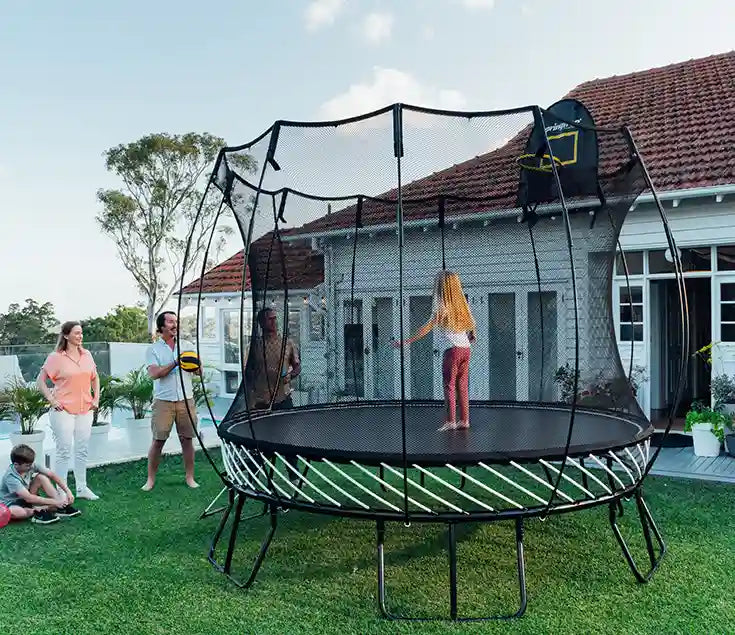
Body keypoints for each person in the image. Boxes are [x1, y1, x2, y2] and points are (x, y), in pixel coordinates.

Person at [393, 271, 476, 431]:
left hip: (452, 350)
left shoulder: (442, 306)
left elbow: (426, 328)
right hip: (466, 349)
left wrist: (406, 341)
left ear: (441, 286)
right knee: (462, 386)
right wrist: (471, 335)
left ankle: (451, 421)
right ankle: (464, 421)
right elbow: (472, 323)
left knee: (449, 386)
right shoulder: (461, 303)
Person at [36, 321, 101, 500]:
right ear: (66, 336)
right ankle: (61, 492)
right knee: (64, 450)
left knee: (82, 449)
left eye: (81, 333)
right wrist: (52, 400)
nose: (80, 336)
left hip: (85, 409)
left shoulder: (87, 355)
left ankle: (81, 488)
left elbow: (95, 378)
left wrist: (96, 399)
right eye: (76, 333)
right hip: (63, 409)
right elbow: (40, 381)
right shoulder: (55, 357)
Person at [142, 311, 201, 491]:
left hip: (186, 399)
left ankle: (190, 477)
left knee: (187, 439)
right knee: (158, 440)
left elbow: (199, 371)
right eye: (170, 322)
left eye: (176, 321)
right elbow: (154, 374)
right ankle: (150, 479)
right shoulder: (153, 349)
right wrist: (176, 363)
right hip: (163, 401)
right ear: (161, 327)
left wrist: (196, 365)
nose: (175, 325)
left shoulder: (188, 345)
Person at [245, 307, 301, 480]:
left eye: (275, 319)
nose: (274, 322)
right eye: (270, 319)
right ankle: (252, 473)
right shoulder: (255, 346)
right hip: (261, 399)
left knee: (288, 437)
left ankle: (294, 475)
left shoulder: (287, 343)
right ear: (261, 323)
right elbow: (248, 372)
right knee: (263, 440)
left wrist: (291, 374)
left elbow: (297, 366)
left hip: (283, 397)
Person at [0, 444, 81, 525]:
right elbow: (29, 498)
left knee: (41, 478)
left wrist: (67, 491)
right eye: (27, 465)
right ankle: (39, 511)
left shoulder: (30, 465)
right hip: (11, 503)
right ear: (16, 464)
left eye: (31, 463)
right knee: (17, 512)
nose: (31, 466)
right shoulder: (10, 478)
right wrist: (55, 502)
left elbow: (52, 475)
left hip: (26, 498)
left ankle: (61, 508)